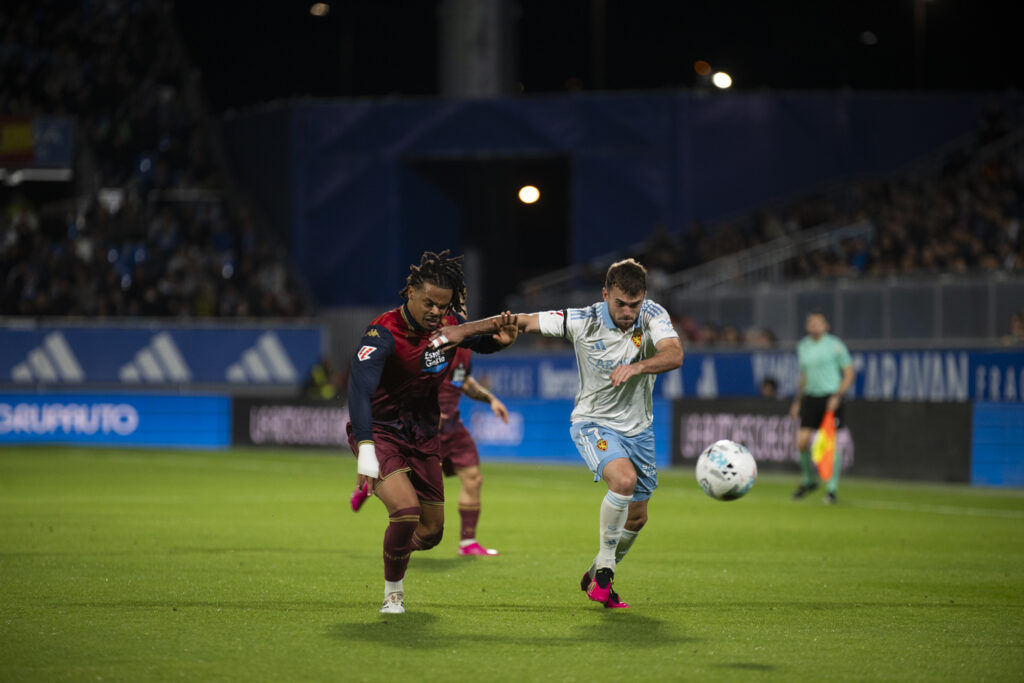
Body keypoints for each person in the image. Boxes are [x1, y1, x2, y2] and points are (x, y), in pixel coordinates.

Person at [430, 258, 684, 609]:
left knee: (638, 517)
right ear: (605, 294)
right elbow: (522, 320)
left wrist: (638, 366)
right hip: (593, 422)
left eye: (634, 304)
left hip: (639, 429)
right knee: (622, 482)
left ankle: (597, 570)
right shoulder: (583, 320)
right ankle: (607, 569)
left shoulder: (653, 314)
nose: (628, 312)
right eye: (620, 304)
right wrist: (459, 332)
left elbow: (674, 353)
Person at [345, 250, 516, 614]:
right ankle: (394, 593)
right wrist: (366, 449)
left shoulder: (448, 326)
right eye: (430, 303)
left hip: (423, 436)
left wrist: (501, 341)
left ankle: (395, 545)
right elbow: (358, 388)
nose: (437, 312)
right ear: (409, 291)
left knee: (432, 532)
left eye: (444, 305)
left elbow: (479, 343)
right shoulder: (382, 332)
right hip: (381, 432)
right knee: (406, 511)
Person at [439, 347, 508, 556]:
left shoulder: (464, 350)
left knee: (473, 478)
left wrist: (490, 399)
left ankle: (467, 543)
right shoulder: (427, 343)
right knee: (406, 481)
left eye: (463, 312)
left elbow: (464, 381)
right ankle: (371, 480)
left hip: (452, 426)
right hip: (422, 428)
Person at [788, 311, 855, 505]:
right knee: (801, 442)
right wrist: (797, 401)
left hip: (830, 397)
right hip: (810, 397)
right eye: (811, 323)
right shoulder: (803, 346)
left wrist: (838, 395)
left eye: (818, 323)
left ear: (826, 326)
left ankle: (832, 490)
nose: (814, 326)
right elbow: (804, 375)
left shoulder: (835, 345)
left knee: (830, 445)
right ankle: (809, 480)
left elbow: (849, 373)